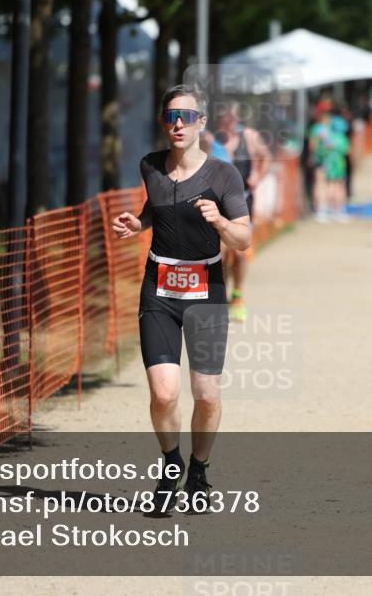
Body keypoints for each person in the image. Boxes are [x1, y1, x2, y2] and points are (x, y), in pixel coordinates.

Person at [111, 84, 252, 511]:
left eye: (187, 117)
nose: (178, 124)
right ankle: (171, 469)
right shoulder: (150, 166)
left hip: (207, 291)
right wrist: (138, 225)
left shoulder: (223, 175)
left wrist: (222, 224)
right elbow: (159, 209)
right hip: (159, 290)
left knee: (206, 394)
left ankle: (199, 470)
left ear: (201, 124)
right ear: (163, 121)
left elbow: (244, 238)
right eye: (171, 116)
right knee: (164, 394)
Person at [217, 103, 271, 322]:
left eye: (234, 116)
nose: (231, 120)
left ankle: (237, 295)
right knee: (219, 254)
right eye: (227, 116)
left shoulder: (249, 137)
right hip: (217, 205)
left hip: (242, 203)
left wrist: (258, 175)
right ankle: (220, 297)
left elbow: (265, 156)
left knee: (238, 252)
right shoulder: (212, 140)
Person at [308, 101, 350, 222]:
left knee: (324, 184)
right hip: (328, 161)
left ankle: (324, 209)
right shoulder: (330, 131)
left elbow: (313, 146)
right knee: (329, 185)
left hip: (324, 160)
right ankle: (330, 209)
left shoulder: (319, 129)